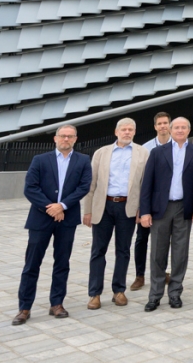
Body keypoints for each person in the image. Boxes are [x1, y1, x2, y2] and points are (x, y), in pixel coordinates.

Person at [13, 125, 92, 325]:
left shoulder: (83, 160)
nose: (66, 139)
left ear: (75, 139)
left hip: (67, 219)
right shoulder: (40, 160)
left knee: (62, 262)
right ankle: (24, 307)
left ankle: (57, 303)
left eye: (70, 136)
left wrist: (62, 206)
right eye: (62, 136)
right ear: (55, 138)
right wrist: (50, 207)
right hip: (41, 218)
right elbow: (30, 188)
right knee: (32, 264)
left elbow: (84, 186)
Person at [139, 117, 193, 312]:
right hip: (160, 209)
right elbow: (147, 185)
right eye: (176, 127)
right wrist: (145, 212)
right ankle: (155, 295)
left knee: (180, 253)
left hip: (184, 209)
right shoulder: (157, 152)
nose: (179, 130)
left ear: (189, 130)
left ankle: (175, 292)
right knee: (157, 254)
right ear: (170, 130)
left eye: (183, 127)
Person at [83, 118, 149, 310]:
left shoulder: (143, 153)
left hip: (127, 207)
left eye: (130, 129)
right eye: (124, 129)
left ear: (134, 132)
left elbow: (145, 185)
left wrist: (142, 209)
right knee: (98, 251)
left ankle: (119, 291)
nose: (127, 132)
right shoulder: (101, 153)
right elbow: (91, 183)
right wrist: (87, 210)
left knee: (123, 250)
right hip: (103, 206)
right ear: (116, 132)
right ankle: (94, 293)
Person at [132, 112, 172, 291]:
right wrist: (141, 206)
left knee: (164, 240)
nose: (163, 126)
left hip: (168, 203)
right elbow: (139, 179)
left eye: (166, 123)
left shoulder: (177, 146)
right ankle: (139, 275)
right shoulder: (145, 149)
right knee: (142, 239)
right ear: (155, 126)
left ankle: (161, 272)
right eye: (160, 124)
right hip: (148, 202)